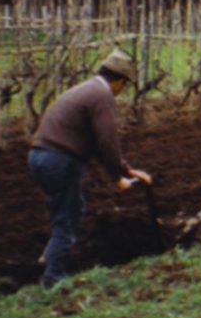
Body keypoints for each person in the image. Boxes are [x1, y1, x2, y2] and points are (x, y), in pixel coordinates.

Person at [29, 49, 152, 288]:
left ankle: (49, 255)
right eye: (124, 86)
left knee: (62, 209)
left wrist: (127, 171)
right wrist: (117, 177)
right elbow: (106, 140)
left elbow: (94, 142)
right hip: (60, 159)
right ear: (119, 80)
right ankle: (53, 277)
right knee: (70, 214)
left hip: (39, 156)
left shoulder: (85, 89)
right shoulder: (102, 96)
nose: (121, 92)